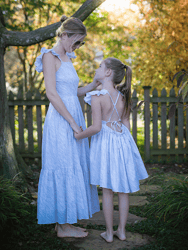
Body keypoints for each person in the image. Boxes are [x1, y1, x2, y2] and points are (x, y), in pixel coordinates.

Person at [35, 15, 100, 238]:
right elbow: (52, 93)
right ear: (64, 35)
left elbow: (73, 92)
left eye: (81, 42)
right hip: (62, 121)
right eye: (77, 41)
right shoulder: (49, 56)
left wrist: (92, 85)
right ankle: (62, 227)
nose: (78, 46)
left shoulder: (67, 57)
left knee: (74, 165)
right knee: (62, 165)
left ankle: (65, 223)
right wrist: (73, 123)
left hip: (74, 119)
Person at [74, 57, 148, 242]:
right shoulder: (122, 96)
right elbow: (126, 124)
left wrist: (78, 135)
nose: (97, 69)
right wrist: (124, 142)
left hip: (106, 144)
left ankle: (108, 233)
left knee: (107, 190)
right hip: (122, 141)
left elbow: (97, 127)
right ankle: (121, 231)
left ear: (108, 73)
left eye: (100, 66)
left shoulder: (98, 96)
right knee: (123, 190)